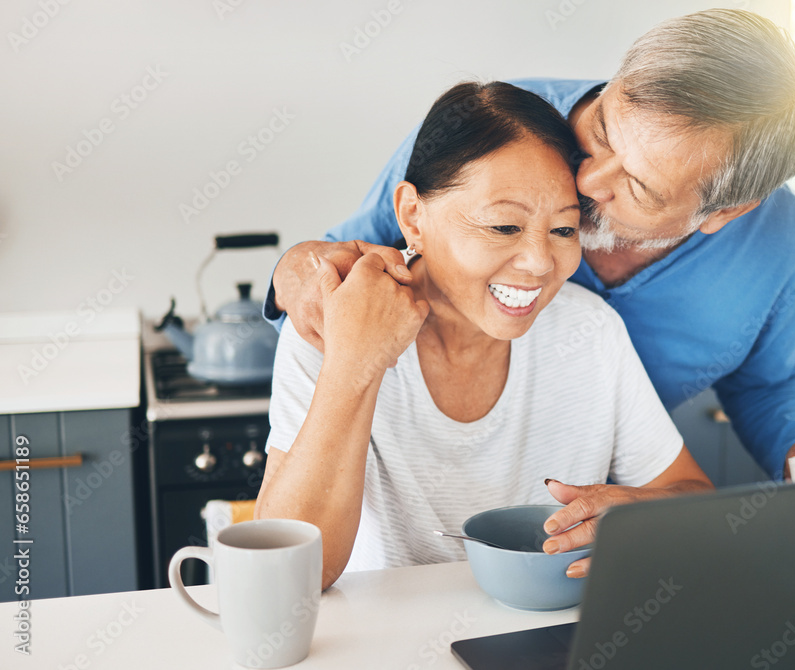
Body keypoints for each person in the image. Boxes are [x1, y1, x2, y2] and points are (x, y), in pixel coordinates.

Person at [264, 9, 795, 567]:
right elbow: (342, 264)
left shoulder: (772, 253)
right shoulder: (498, 130)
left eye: (640, 188)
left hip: (604, 536)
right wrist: (295, 275)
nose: (588, 179)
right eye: (602, 132)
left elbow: (770, 384)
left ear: (724, 212)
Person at [255, 81, 713, 588]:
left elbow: (691, 493)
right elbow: (284, 576)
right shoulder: (327, 323)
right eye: (503, 227)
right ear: (412, 215)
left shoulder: (591, 331)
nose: (540, 262)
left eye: (564, 230)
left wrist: (637, 520)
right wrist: (354, 361)